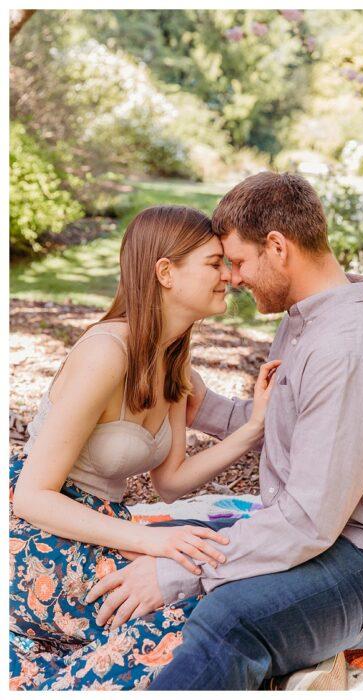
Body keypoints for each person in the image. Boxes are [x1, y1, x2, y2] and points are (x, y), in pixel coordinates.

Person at [84, 172, 363, 690]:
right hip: (332, 535)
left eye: (237, 262)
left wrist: (176, 576)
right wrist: (199, 406)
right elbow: (291, 428)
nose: (233, 279)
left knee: (228, 616)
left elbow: (307, 521)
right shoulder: (305, 322)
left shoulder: (347, 351)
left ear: (278, 248)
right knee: (163, 547)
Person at [9, 206, 280, 690]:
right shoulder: (106, 353)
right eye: (215, 263)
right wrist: (152, 541)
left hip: (102, 527)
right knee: (204, 614)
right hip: (37, 535)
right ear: (165, 272)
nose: (229, 277)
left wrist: (255, 424)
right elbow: (31, 497)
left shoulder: (173, 360)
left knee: (223, 571)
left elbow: (171, 483)